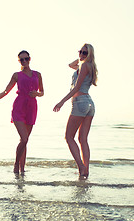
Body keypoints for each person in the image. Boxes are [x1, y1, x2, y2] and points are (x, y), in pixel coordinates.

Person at [0, 50, 44, 174]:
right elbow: (5, 91)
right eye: (21, 60)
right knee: (24, 138)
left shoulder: (38, 74)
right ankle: (16, 165)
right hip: (19, 107)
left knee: (25, 140)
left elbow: (42, 92)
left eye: (26, 59)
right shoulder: (17, 75)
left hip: (32, 108)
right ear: (19, 61)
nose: (24, 61)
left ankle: (22, 169)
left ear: (30, 59)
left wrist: (37, 93)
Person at [53, 43, 98, 179]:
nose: (82, 54)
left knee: (69, 137)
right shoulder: (89, 66)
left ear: (90, 54)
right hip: (90, 104)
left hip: (80, 103)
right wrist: (80, 58)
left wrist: (61, 101)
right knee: (83, 139)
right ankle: (85, 171)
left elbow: (76, 88)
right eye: (80, 52)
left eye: (85, 53)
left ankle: (81, 167)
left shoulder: (84, 66)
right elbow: (70, 65)